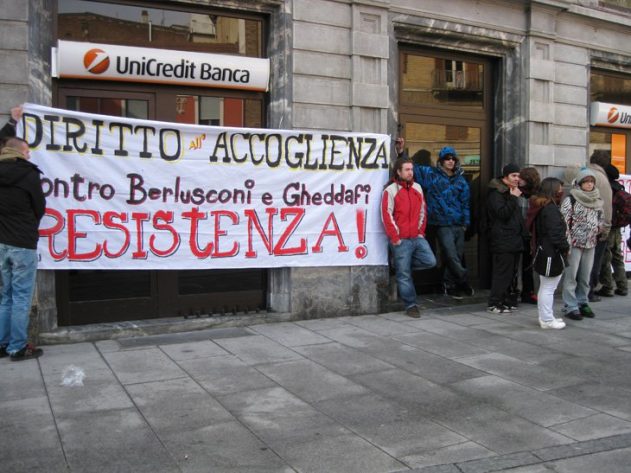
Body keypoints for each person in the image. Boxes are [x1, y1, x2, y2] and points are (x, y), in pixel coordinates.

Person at [395, 139, 473, 299]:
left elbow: (465, 202)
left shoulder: (460, 180)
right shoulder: (431, 175)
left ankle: (448, 285)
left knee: (456, 257)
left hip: (458, 223)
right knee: (450, 255)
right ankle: (464, 279)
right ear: (441, 161)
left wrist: (466, 222)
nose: (450, 161)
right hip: (441, 223)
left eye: (453, 159)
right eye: (447, 158)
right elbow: (411, 170)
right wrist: (401, 152)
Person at [0, 135, 46, 361]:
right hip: (22, 243)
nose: (29, 155)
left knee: (6, 295)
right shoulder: (28, 174)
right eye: (27, 151)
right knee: (21, 297)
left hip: (2, 243)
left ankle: (3, 343)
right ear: (19, 152)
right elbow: (39, 207)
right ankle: (18, 347)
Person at [381, 156, 436, 318]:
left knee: (430, 261)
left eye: (411, 169)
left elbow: (422, 211)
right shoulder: (390, 191)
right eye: (407, 169)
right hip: (401, 240)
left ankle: (399, 267)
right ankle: (411, 305)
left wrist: (420, 231)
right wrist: (395, 237)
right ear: (398, 172)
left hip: (417, 237)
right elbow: (386, 214)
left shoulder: (417, 188)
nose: (410, 172)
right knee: (404, 275)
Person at [561, 167, 604, 321]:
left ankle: (582, 302)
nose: (589, 184)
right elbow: (564, 222)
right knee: (571, 276)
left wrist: (599, 228)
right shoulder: (570, 199)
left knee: (585, 276)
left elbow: (601, 216)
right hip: (574, 243)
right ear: (579, 183)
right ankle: (570, 306)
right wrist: (567, 244)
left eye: (592, 181)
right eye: (586, 181)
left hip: (591, 243)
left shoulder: (597, 199)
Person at [526, 177, 569, 329]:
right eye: (559, 188)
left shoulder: (542, 205)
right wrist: (565, 247)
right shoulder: (549, 208)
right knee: (548, 287)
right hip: (551, 251)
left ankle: (546, 316)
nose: (561, 191)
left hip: (545, 249)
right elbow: (555, 233)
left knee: (546, 286)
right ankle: (547, 319)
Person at [486, 163, 526, 314]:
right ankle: (494, 303)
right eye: (513, 176)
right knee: (502, 273)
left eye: (518, 176)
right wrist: (513, 198)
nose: (517, 179)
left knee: (511, 273)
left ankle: (506, 300)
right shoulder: (496, 193)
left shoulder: (511, 191)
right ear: (505, 177)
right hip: (502, 240)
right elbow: (502, 214)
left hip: (514, 239)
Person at [597, 164, 629, 297]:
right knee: (617, 257)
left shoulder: (607, 188)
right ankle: (622, 286)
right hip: (617, 229)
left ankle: (607, 286)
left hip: (609, 227)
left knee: (605, 257)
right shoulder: (620, 189)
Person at [587, 150, 613, 302]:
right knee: (594, 261)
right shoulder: (601, 178)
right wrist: (606, 227)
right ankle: (589, 291)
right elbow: (607, 206)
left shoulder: (585, 173)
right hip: (598, 227)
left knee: (584, 262)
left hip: (583, 227)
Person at [515, 167, 541, 304]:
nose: (519, 180)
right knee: (518, 264)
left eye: (522, 178)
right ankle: (518, 289)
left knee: (528, 264)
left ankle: (528, 291)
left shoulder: (535, 195)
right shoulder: (516, 193)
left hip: (530, 234)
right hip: (519, 232)